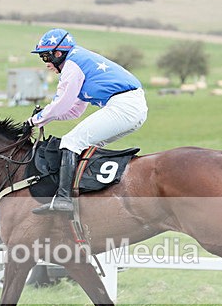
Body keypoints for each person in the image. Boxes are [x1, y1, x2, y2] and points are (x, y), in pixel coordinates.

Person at [27, 28, 148, 214]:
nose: (46, 64)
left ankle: (64, 199)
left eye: (45, 57)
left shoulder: (72, 66)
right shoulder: (80, 63)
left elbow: (61, 103)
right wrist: (44, 118)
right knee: (83, 147)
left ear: (58, 54)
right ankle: (90, 195)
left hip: (124, 106)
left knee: (71, 142)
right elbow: (73, 110)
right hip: (132, 107)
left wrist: (35, 120)